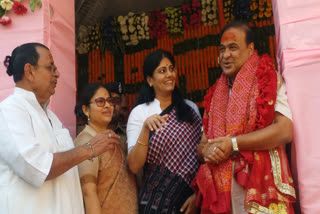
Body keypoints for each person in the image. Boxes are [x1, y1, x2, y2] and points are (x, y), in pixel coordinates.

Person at [0, 43, 119, 214]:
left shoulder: (51, 117)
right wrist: (89, 149)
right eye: (50, 68)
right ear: (30, 71)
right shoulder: (9, 112)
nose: (57, 73)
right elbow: (36, 167)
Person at [192, 22, 296, 213]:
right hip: (225, 195)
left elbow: (284, 130)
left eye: (233, 48)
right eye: (222, 49)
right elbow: (202, 145)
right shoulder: (215, 95)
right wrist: (207, 152)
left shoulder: (268, 79)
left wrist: (233, 143)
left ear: (250, 49)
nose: (225, 55)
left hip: (262, 189)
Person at [126, 49, 202, 214]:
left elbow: (201, 158)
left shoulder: (191, 109)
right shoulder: (140, 113)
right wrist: (146, 129)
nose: (169, 74)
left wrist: (199, 194)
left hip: (190, 202)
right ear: (150, 80)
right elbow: (133, 165)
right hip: (155, 204)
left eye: (171, 68)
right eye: (162, 71)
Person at [74, 82, 138, 214]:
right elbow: (88, 193)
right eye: (100, 102)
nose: (108, 105)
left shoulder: (114, 139)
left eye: (109, 101)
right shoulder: (86, 141)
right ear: (86, 110)